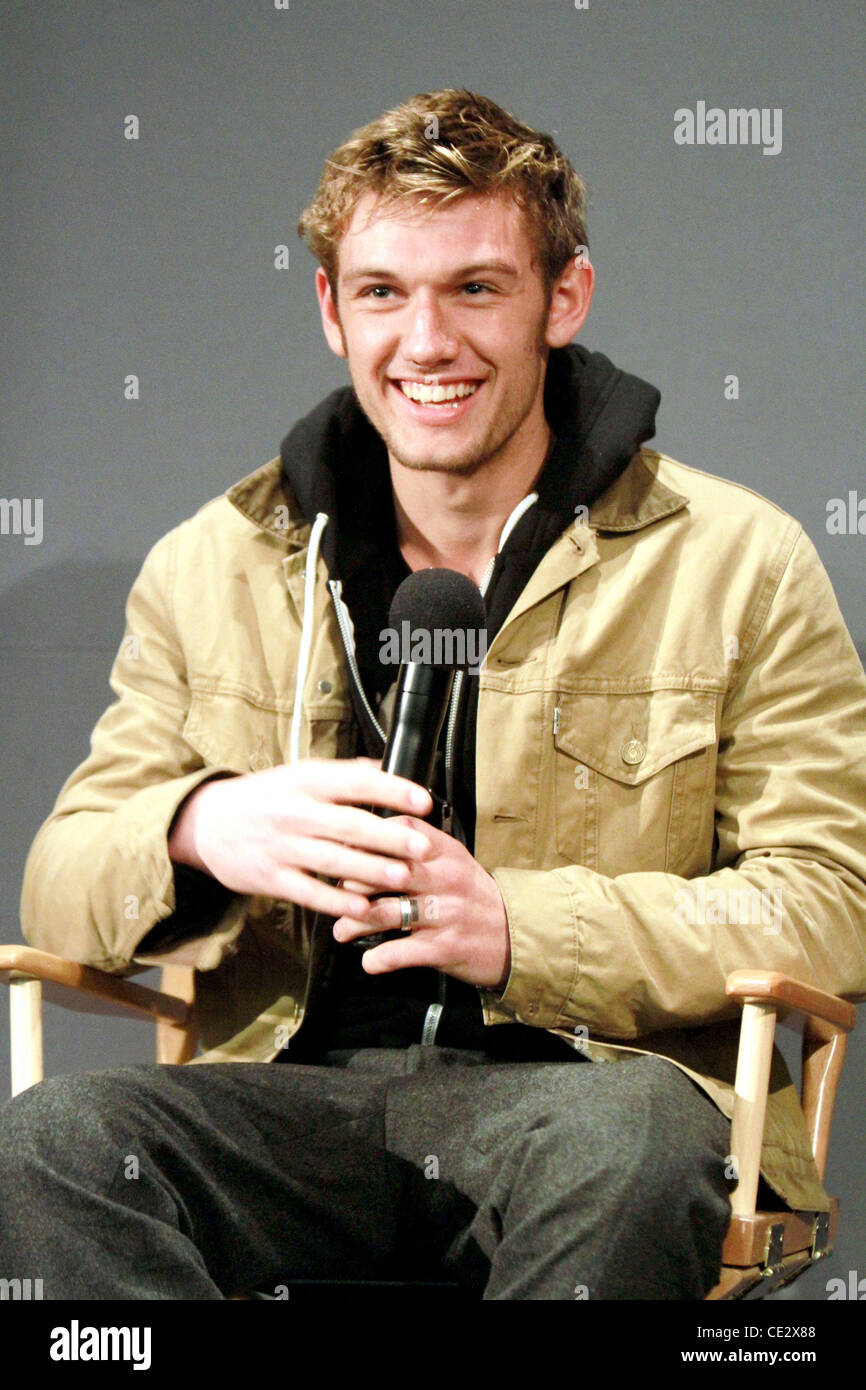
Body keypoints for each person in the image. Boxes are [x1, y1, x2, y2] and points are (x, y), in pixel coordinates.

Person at [4, 88, 866, 1301]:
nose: (424, 342)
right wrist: (203, 826)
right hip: (295, 1100)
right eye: (380, 292)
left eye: (473, 287)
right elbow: (62, 879)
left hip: (576, 1095)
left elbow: (830, 903)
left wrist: (520, 929)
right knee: (52, 1144)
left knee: (629, 1144)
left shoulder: (739, 559)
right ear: (329, 308)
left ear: (561, 298)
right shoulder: (216, 562)